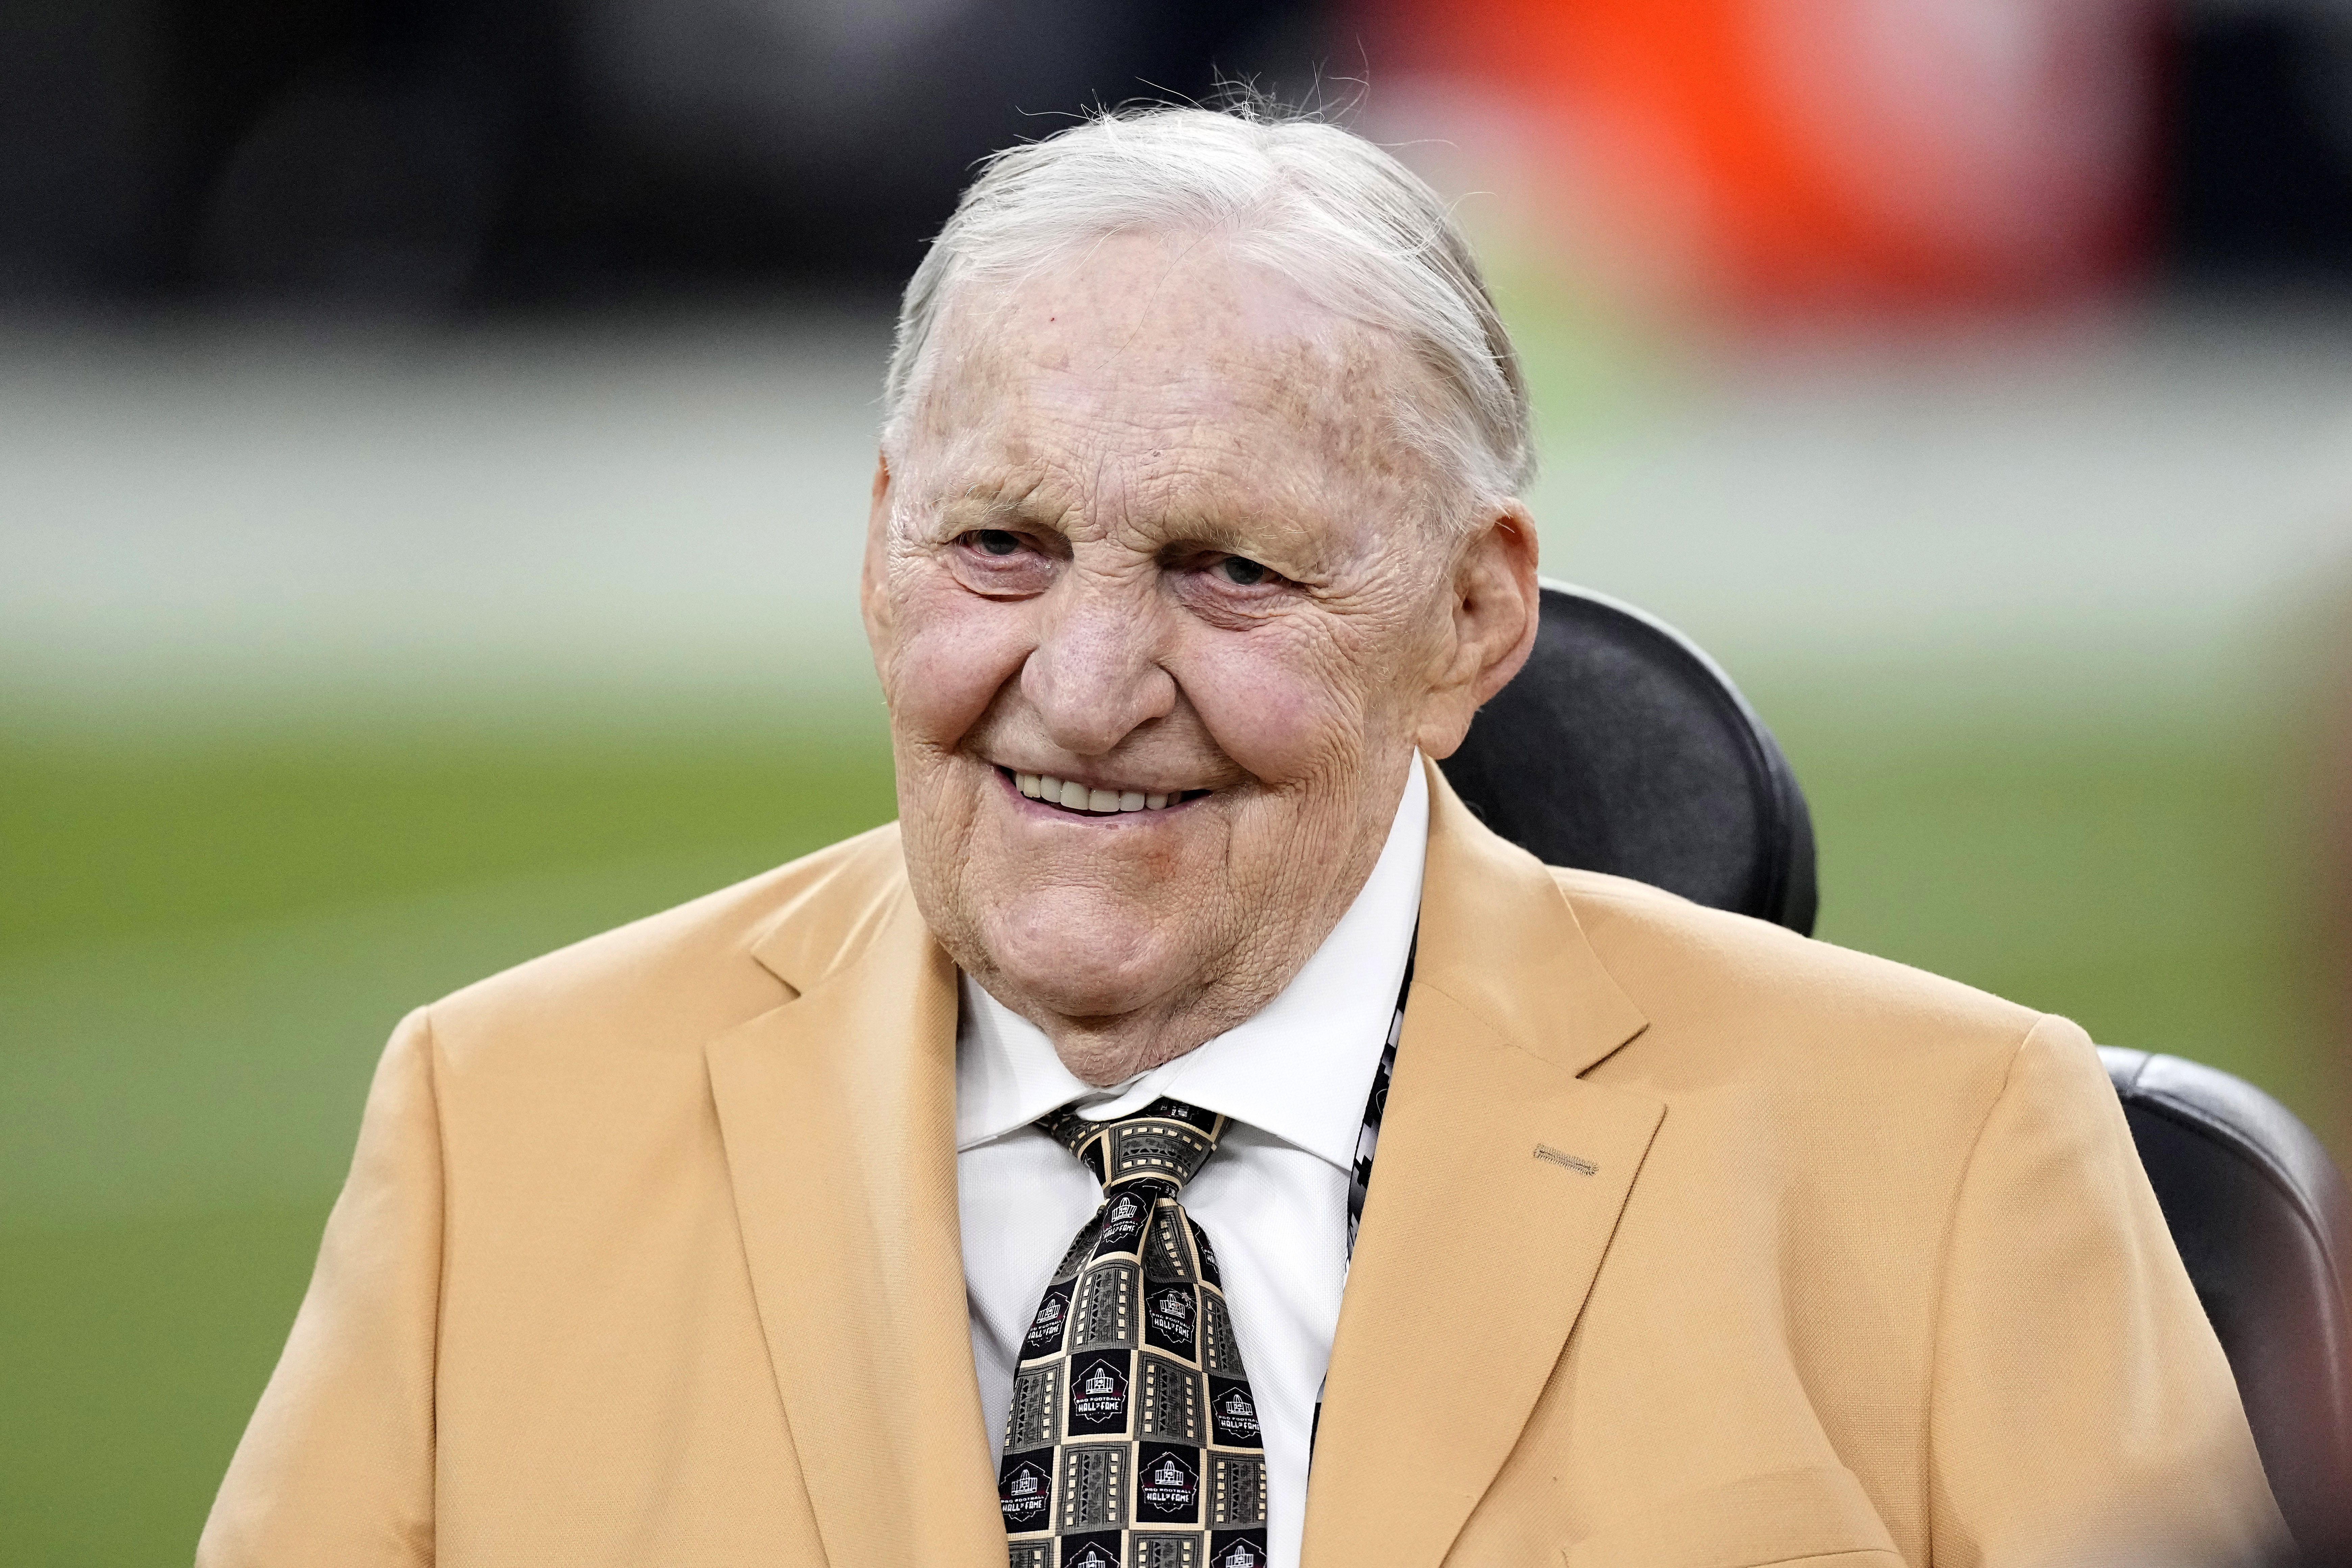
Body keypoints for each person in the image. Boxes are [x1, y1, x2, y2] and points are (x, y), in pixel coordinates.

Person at [198, 104, 2284, 1568]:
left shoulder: (1952, 1152)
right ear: (876, 549)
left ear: (1475, 619)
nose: (1088, 684)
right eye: (1001, 548)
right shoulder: (502, 1125)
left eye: (1229, 574)